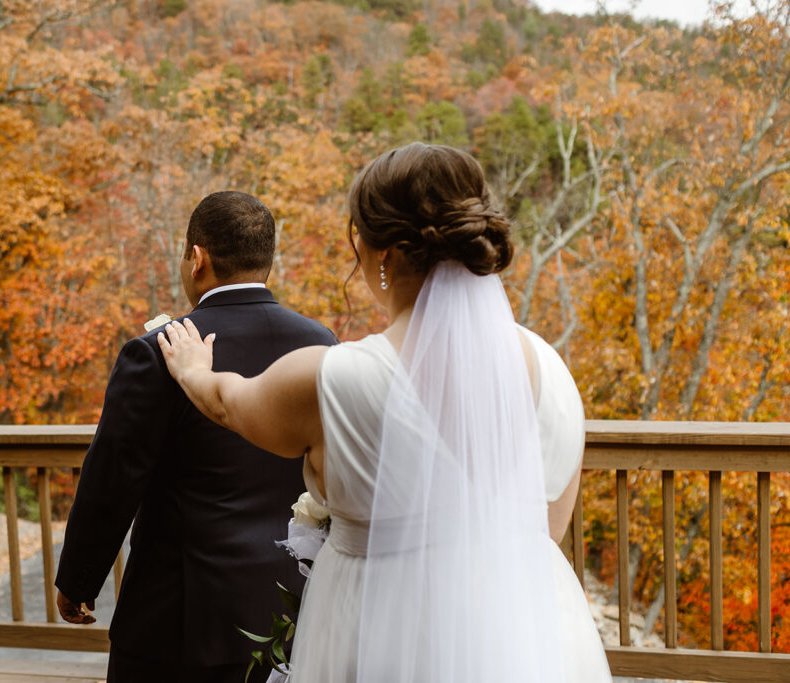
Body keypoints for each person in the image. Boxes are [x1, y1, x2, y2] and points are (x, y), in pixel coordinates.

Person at [157, 143, 612, 681]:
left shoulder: (337, 377)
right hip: (533, 641)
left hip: (375, 641)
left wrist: (192, 370)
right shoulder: (554, 371)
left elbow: (228, 404)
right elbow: (548, 528)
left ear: (383, 255)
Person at [55, 191, 337, 683]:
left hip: (179, 615)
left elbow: (114, 479)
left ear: (197, 257)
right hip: (295, 604)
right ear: (267, 260)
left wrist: (78, 580)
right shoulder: (322, 344)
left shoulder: (158, 352)